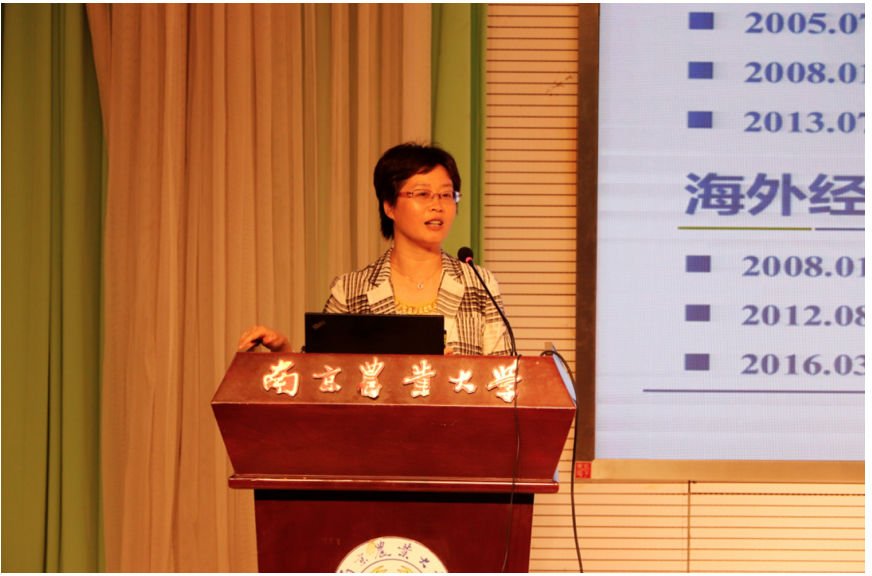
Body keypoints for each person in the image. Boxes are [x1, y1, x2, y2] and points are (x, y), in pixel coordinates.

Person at [237, 143, 511, 356]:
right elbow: (321, 378)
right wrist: (284, 352)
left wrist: (455, 378)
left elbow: (505, 381)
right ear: (389, 206)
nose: (437, 205)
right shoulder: (350, 290)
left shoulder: (479, 284)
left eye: (447, 195)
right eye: (422, 194)